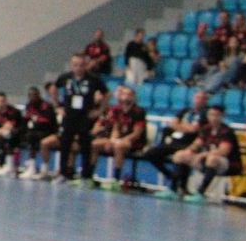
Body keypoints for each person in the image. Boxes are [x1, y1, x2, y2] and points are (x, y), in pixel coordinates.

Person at [162, 105, 240, 202]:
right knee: (180, 155)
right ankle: (174, 189)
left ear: (222, 116)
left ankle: (201, 193)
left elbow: (223, 151)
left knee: (212, 159)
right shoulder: (206, 129)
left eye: (216, 115)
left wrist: (201, 155)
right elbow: (197, 144)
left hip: (226, 164)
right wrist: (189, 151)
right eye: (211, 115)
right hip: (204, 160)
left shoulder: (227, 131)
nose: (213, 118)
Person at [55, 53, 108, 185]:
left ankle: (85, 176)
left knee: (85, 146)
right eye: (75, 65)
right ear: (71, 65)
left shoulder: (93, 79)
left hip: (84, 117)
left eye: (81, 65)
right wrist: (57, 106)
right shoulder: (65, 78)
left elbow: (107, 93)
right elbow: (53, 88)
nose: (78, 68)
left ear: (85, 65)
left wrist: (100, 110)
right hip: (69, 116)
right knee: (65, 144)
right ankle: (63, 174)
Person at [139, 91, 208, 186]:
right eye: (197, 97)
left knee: (182, 156)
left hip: (189, 144)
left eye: (201, 98)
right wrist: (185, 127)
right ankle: (170, 175)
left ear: (205, 101)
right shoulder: (186, 110)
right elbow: (172, 124)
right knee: (150, 153)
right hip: (174, 142)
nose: (198, 100)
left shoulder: (205, 114)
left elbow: (194, 130)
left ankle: (179, 186)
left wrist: (180, 126)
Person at [91, 84, 148, 189]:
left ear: (133, 97)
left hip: (133, 141)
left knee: (119, 146)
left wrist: (119, 141)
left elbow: (136, 134)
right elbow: (115, 129)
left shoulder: (139, 112)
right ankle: (89, 176)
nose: (126, 97)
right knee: (95, 144)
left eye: (129, 94)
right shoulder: (117, 109)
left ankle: (116, 180)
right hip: (118, 139)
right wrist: (112, 140)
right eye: (124, 94)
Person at [15, 85, 59, 179]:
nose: (32, 98)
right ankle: (25, 165)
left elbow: (46, 122)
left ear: (38, 95)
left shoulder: (46, 106)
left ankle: (43, 169)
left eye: (34, 95)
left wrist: (34, 122)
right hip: (35, 131)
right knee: (19, 135)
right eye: (30, 96)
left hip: (49, 131)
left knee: (32, 137)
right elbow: (26, 119)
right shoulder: (29, 105)